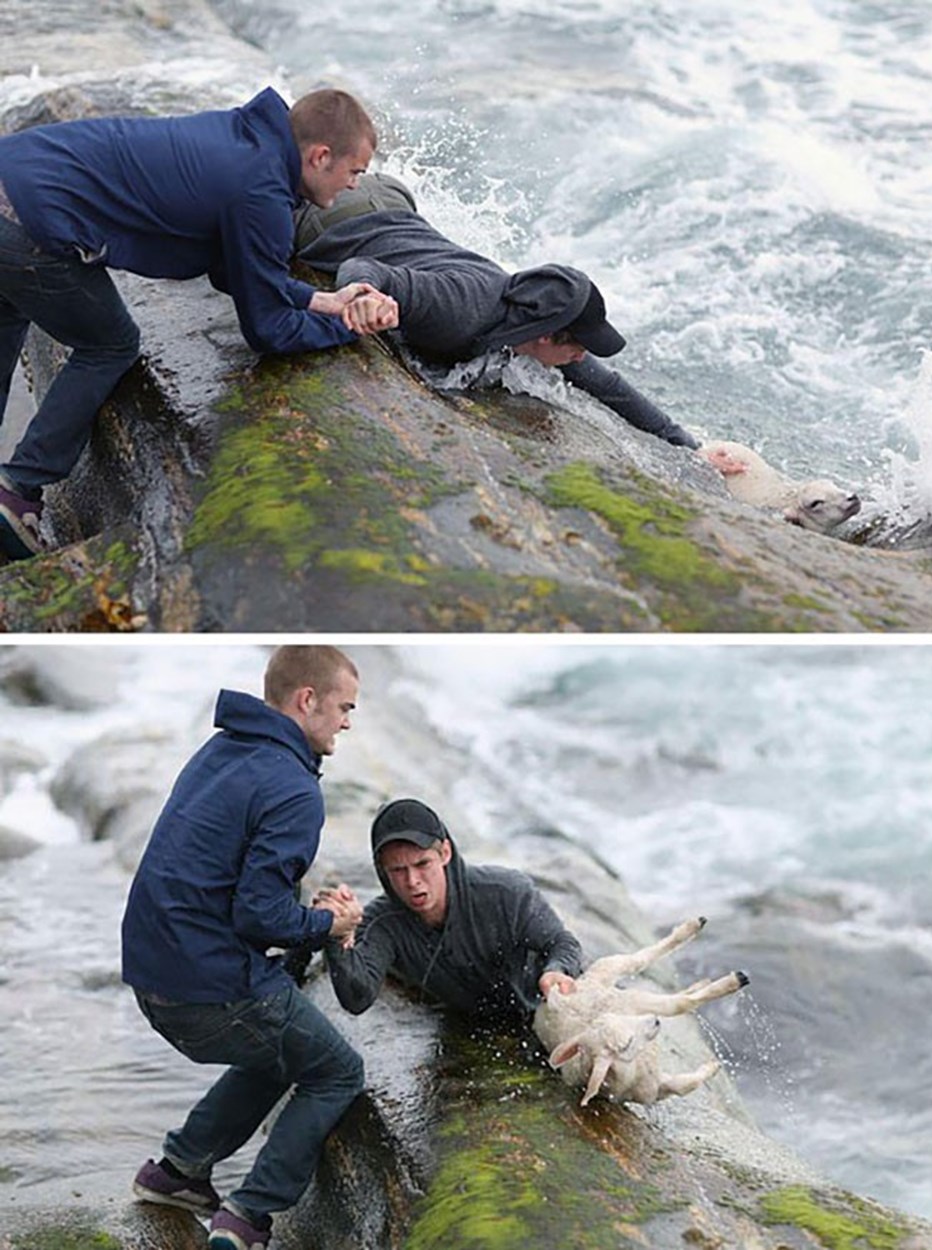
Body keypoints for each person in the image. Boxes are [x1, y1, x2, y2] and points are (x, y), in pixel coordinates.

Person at [0, 88, 398, 561]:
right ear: (320, 156)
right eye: (355, 171)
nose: (355, 185)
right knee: (110, 345)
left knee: (11, 313)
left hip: (14, 174)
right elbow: (268, 329)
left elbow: (241, 272)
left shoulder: (248, 143)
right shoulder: (262, 193)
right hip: (28, 219)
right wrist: (352, 329)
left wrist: (323, 302)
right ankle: (20, 488)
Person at [121, 644, 366, 1250]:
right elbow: (260, 914)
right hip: (206, 989)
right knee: (337, 1070)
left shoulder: (222, 750)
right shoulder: (293, 787)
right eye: (344, 707)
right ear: (306, 700)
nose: (347, 722)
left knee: (279, 1047)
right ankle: (248, 1215)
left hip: (152, 975)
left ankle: (176, 1173)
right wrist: (327, 926)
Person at [294, 172, 699, 452]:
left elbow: (608, 386)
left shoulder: (529, 315)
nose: (581, 356)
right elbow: (368, 270)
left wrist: (687, 445)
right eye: (579, 346)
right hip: (329, 215)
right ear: (548, 333)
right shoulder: (459, 307)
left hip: (391, 196)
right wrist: (361, 295)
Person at [323, 797, 583, 1028]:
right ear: (381, 870)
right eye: (398, 870)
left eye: (422, 863)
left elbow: (562, 942)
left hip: (542, 1011)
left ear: (445, 853)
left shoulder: (506, 892)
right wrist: (336, 936)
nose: (413, 881)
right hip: (469, 1024)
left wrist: (557, 971)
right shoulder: (382, 923)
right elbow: (357, 999)